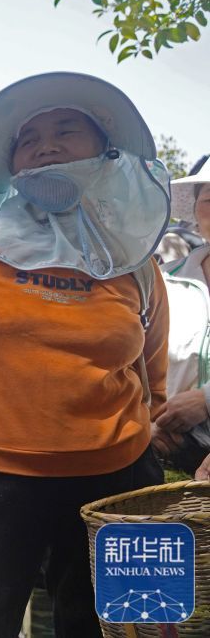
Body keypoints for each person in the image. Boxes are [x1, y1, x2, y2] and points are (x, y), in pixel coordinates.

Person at [0, 72, 169, 637]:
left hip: (120, 479)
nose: (46, 143)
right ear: (15, 166)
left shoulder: (137, 259)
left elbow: (154, 369)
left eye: (67, 129)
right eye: (29, 138)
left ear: (107, 152)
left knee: (128, 626)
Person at [156, 156, 210, 474]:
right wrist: (147, 421)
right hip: (169, 456)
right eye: (209, 199)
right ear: (195, 209)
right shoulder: (165, 282)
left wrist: (205, 400)